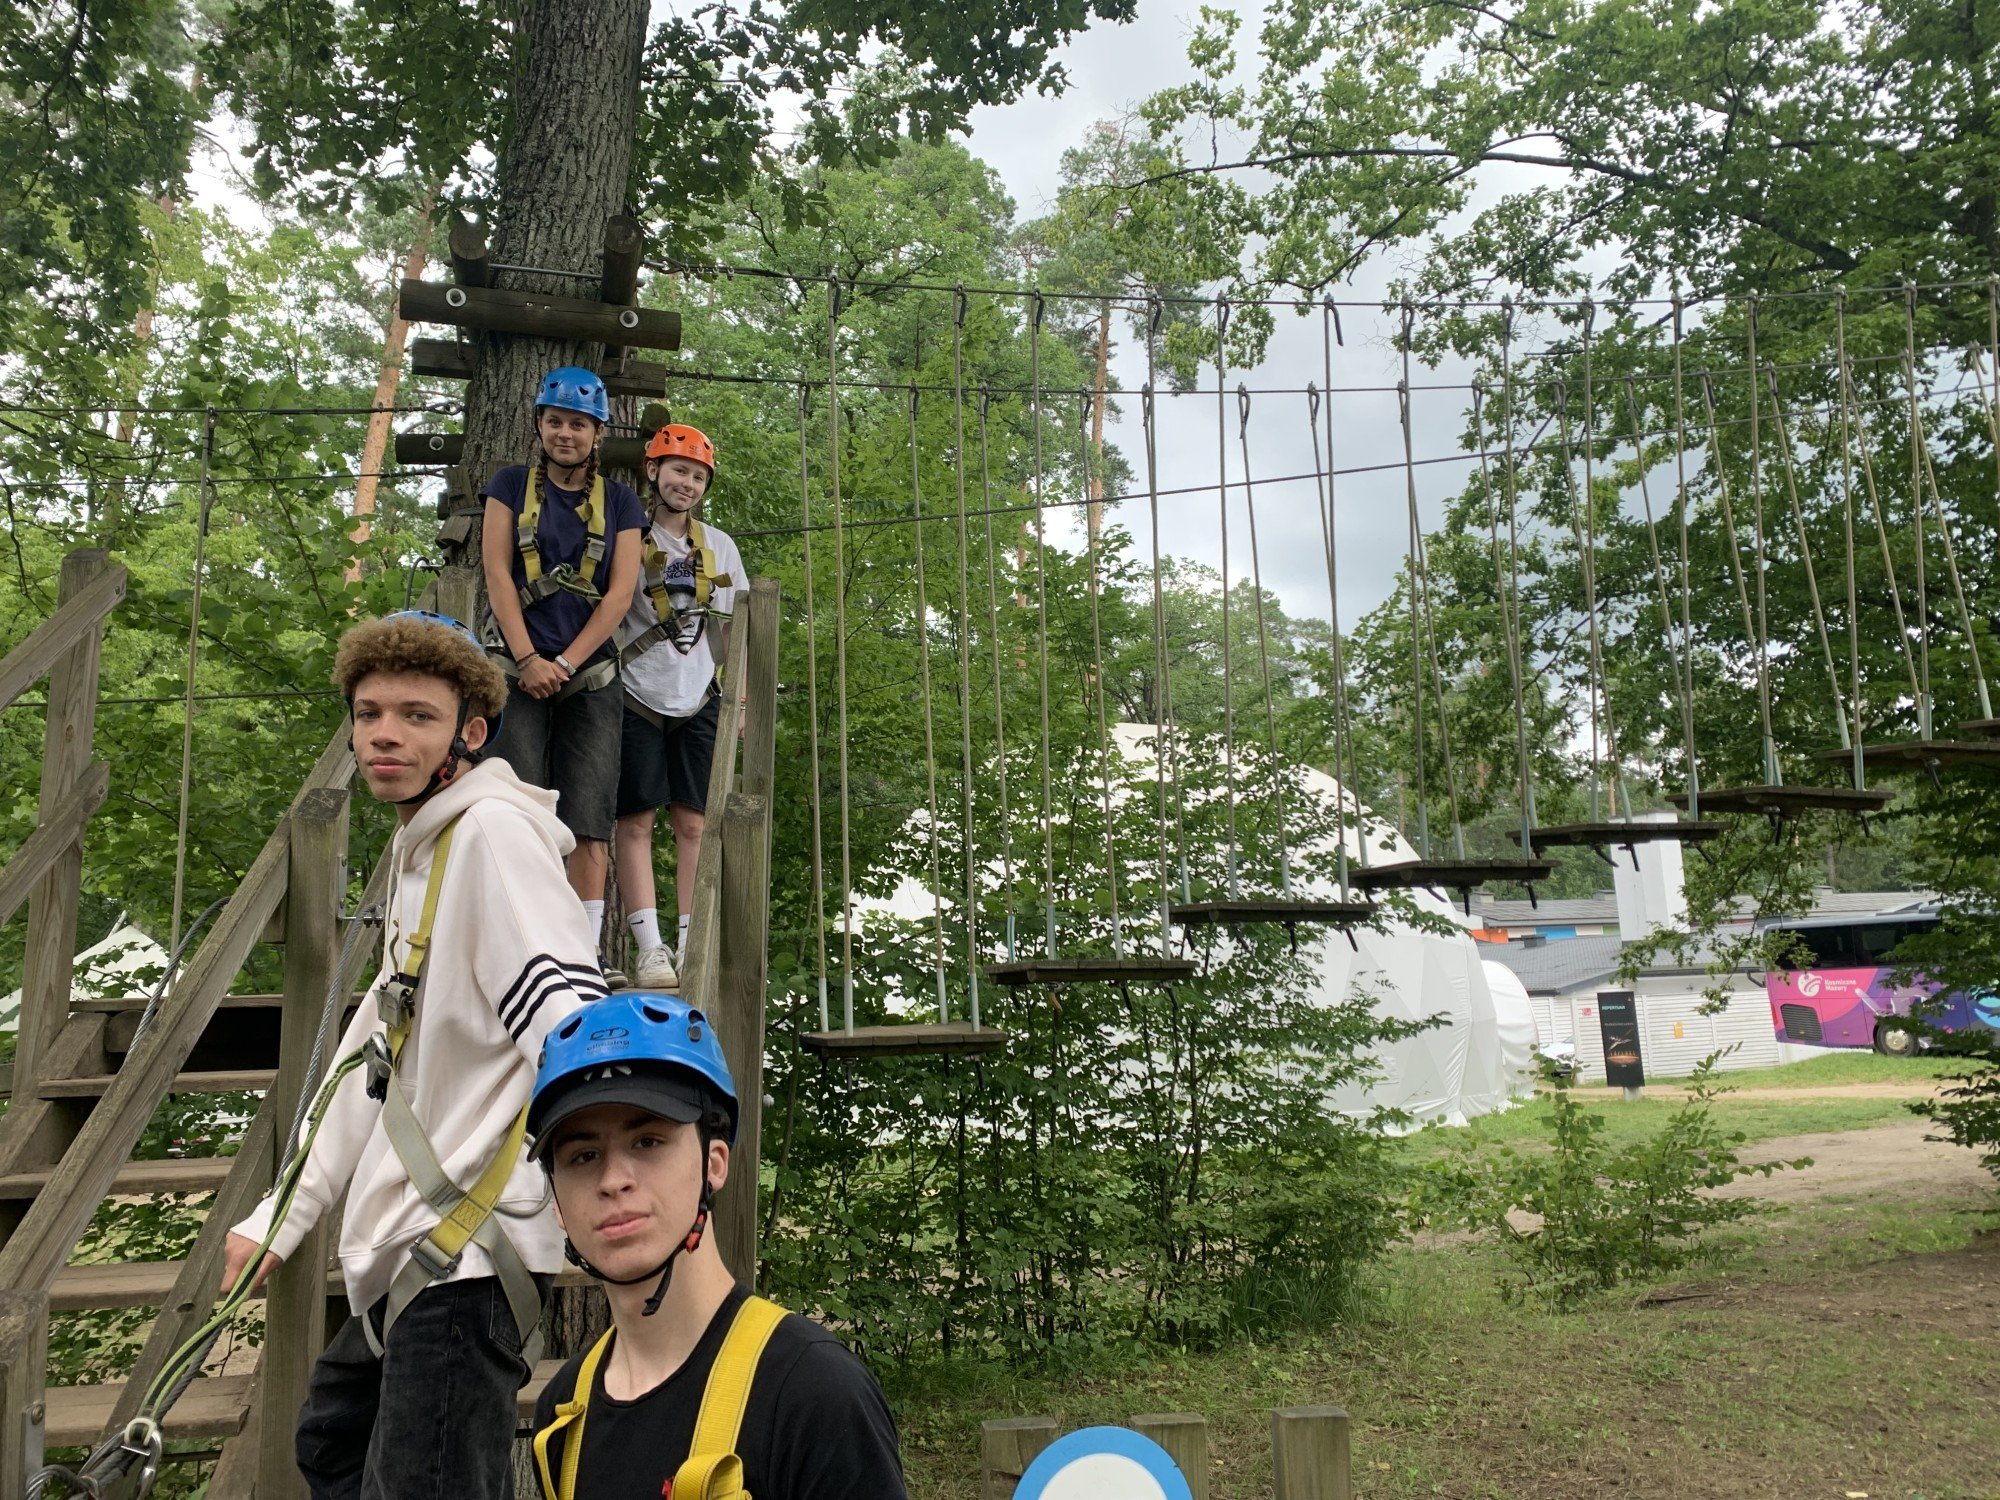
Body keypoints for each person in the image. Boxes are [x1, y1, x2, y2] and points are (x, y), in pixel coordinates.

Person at [222, 610, 609, 1500]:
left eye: (415, 715)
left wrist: (622, 1206)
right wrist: (283, 1214)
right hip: (413, 1251)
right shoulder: (424, 851)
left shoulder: (491, 838)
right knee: (333, 1445)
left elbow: (569, 1020)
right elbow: (372, 1058)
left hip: (468, 1249)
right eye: (368, 713)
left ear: (470, 733)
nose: (383, 734)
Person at [527, 992, 907, 1500]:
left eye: (647, 1142)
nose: (614, 1180)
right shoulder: (561, 1414)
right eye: (583, 1155)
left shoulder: (813, 1396)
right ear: (556, 1199)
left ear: (715, 1163)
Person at [482, 366, 646, 949]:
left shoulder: (621, 502)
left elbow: (620, 594)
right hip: (516, 665)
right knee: (515, 807)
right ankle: (521, 938)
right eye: (555, 422)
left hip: (590, 671)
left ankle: (583, 948)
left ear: (597, 433)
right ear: (539, 425)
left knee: (589, 814)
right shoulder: (509, 486)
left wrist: (566, 665)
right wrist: (528, 658)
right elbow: (497, 573)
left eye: (578, 424)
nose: (565, 434)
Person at [612, 423, 744, 988]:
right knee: (635, 819)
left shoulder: (718, 546)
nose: (686, 483)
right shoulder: (627, 537)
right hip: (635, 691)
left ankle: (691, 943)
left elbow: (735, 626)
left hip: (698, 694)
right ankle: (650, 949)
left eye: (697, 476)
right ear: (654, 472)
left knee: (694, 822)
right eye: (678, 471)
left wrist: (740, 699)